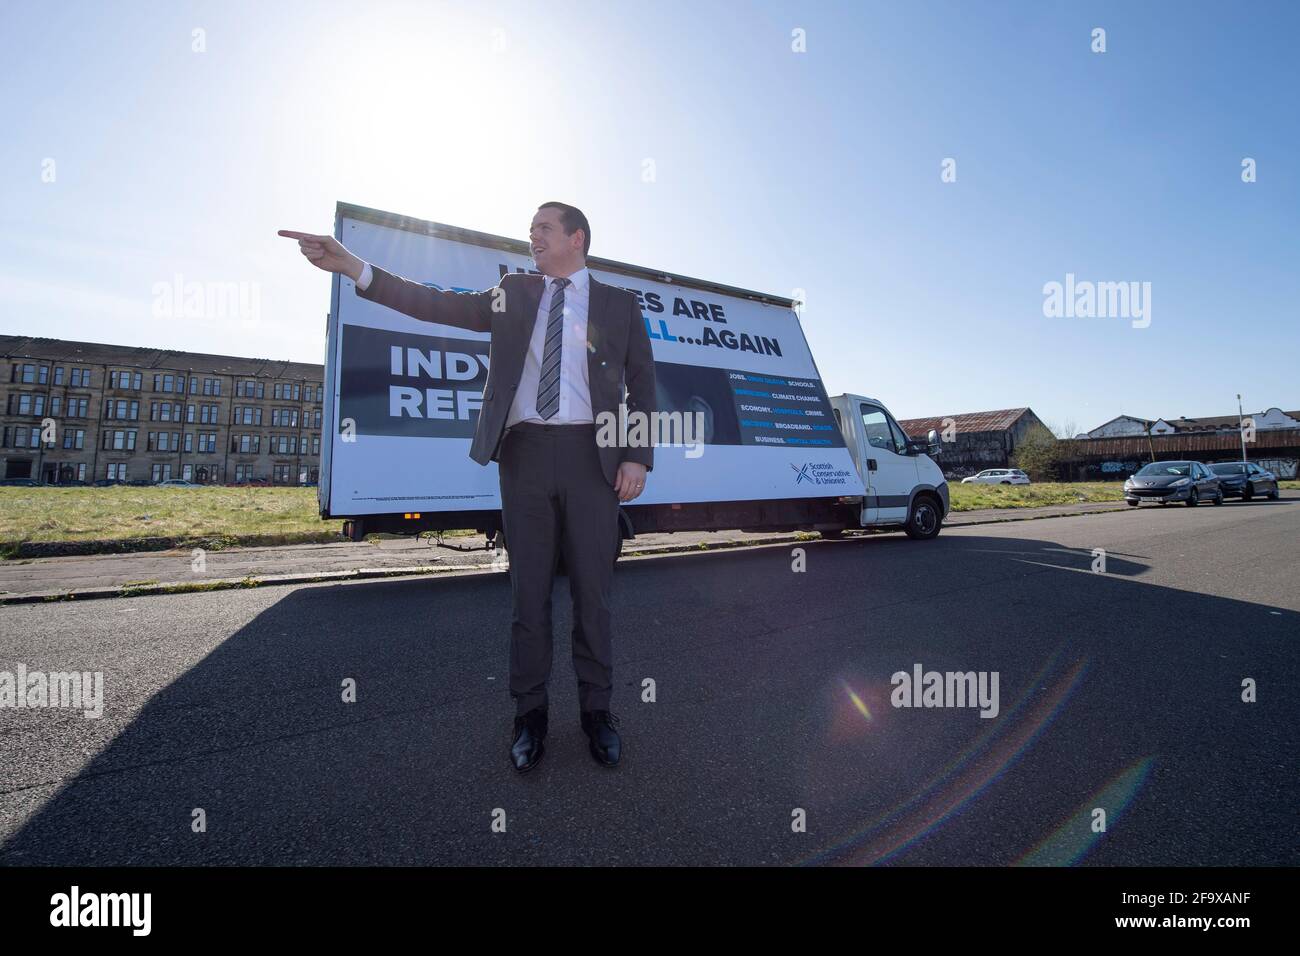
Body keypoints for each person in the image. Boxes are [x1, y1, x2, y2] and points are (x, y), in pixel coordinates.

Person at [279, 202, 656, 772]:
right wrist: (354, 267)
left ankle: (597, 715)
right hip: (524, 455)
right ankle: (529, 718)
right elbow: (435, 303)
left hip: (592, 460)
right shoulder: (515, 292)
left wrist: (638, 457)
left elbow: (643, 384)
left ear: (576, 239)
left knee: (593, 599)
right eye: (530, 229)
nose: (532, 236)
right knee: (528, 596)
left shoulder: (619, 305)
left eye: (544, 229)